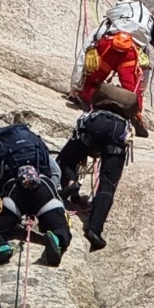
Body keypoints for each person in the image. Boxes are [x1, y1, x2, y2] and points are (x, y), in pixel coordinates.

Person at [0, 123, 70, 270]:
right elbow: (56, 170)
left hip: (14, 194)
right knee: (60, 227)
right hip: (44, 190)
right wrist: (51, 190)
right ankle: (57, 239)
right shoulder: (35, 146)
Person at [57, 97, 133, 251]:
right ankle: (94, 230)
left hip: (94, 123)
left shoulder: (98, 103)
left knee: (65, 159)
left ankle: (71, 183)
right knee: (108, 184)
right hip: (118, 130)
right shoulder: (127, 111)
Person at [74, 31, 148, 133]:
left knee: (92, 82)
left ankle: (87, 100)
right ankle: (136, 114)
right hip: (131, 51)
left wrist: (74, 86)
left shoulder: (112, 17)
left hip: (109, 46)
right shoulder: (148, 22)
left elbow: (96, 35)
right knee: (133, 91)